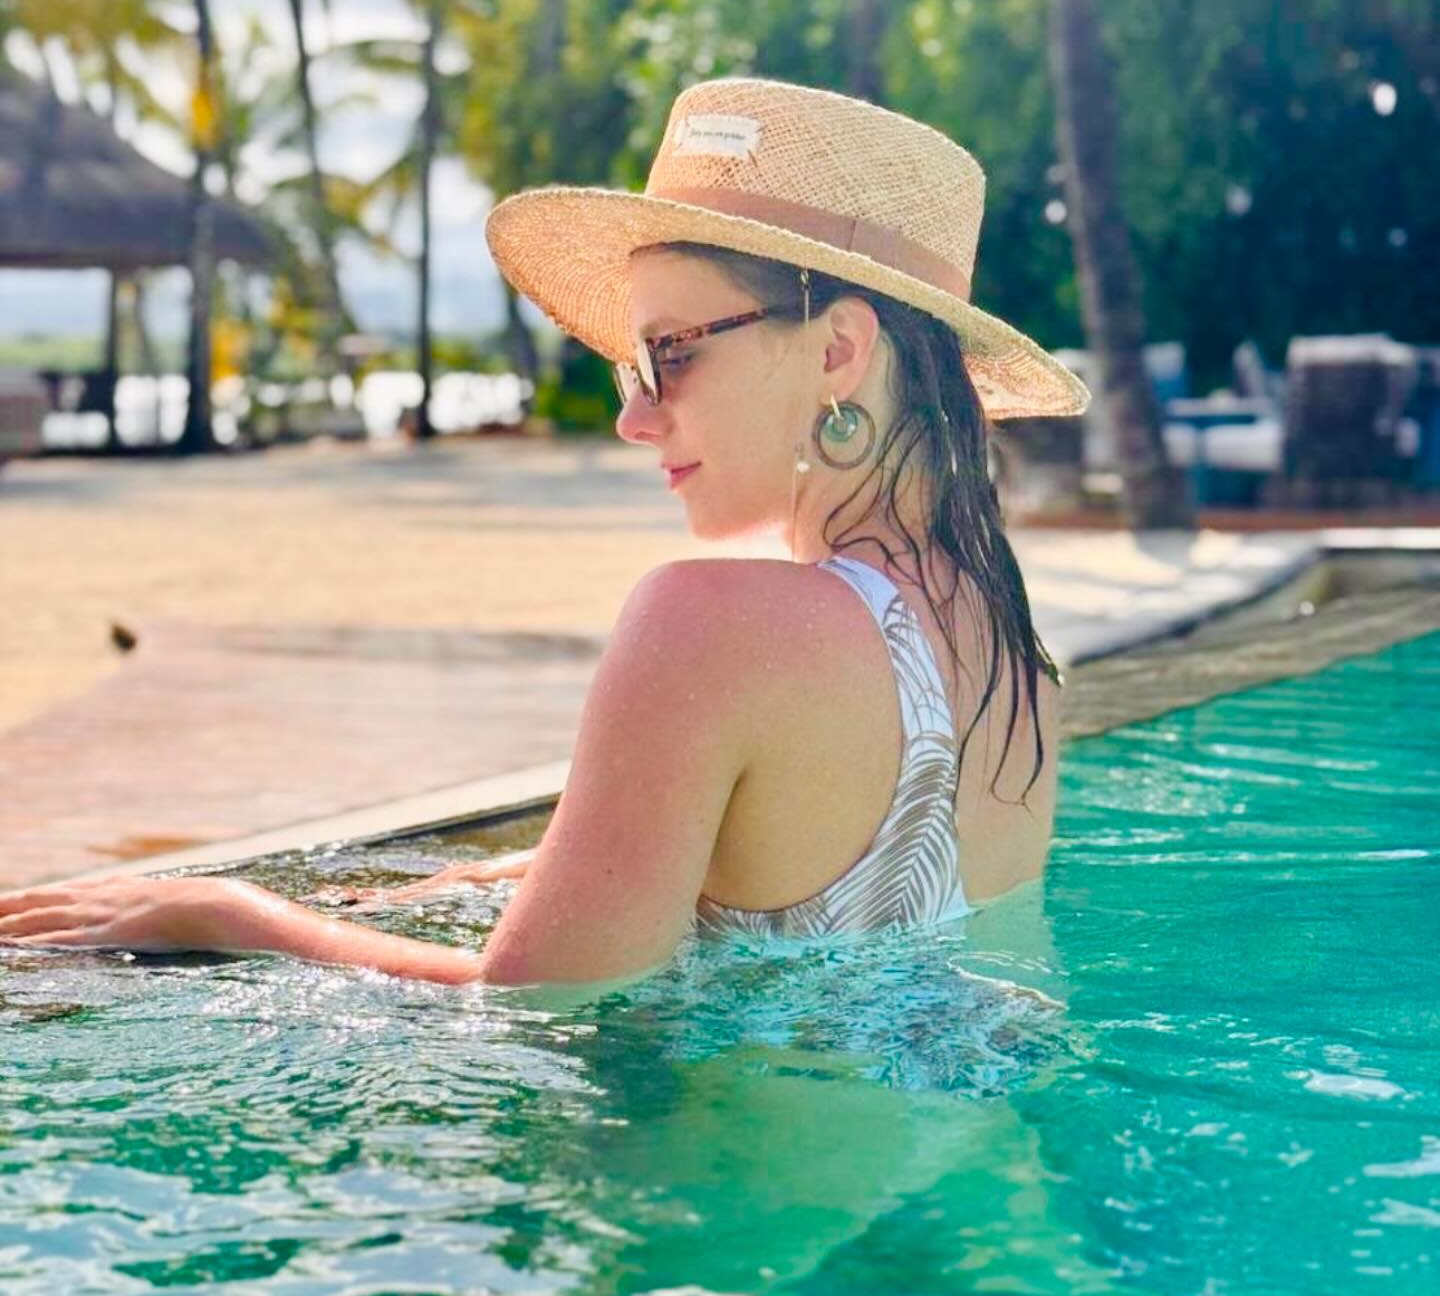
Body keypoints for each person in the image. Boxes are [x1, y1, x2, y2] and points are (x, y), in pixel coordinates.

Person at [0, 78, 1087, 991]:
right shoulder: (1021, 665)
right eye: (629, 370)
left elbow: (530, 1004)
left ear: (838, 352)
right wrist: (542, 868)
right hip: (964, 1178)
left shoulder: (713, 624)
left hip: (715, 1190)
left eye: (669, 355)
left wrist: (235, 915)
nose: (634, 417)